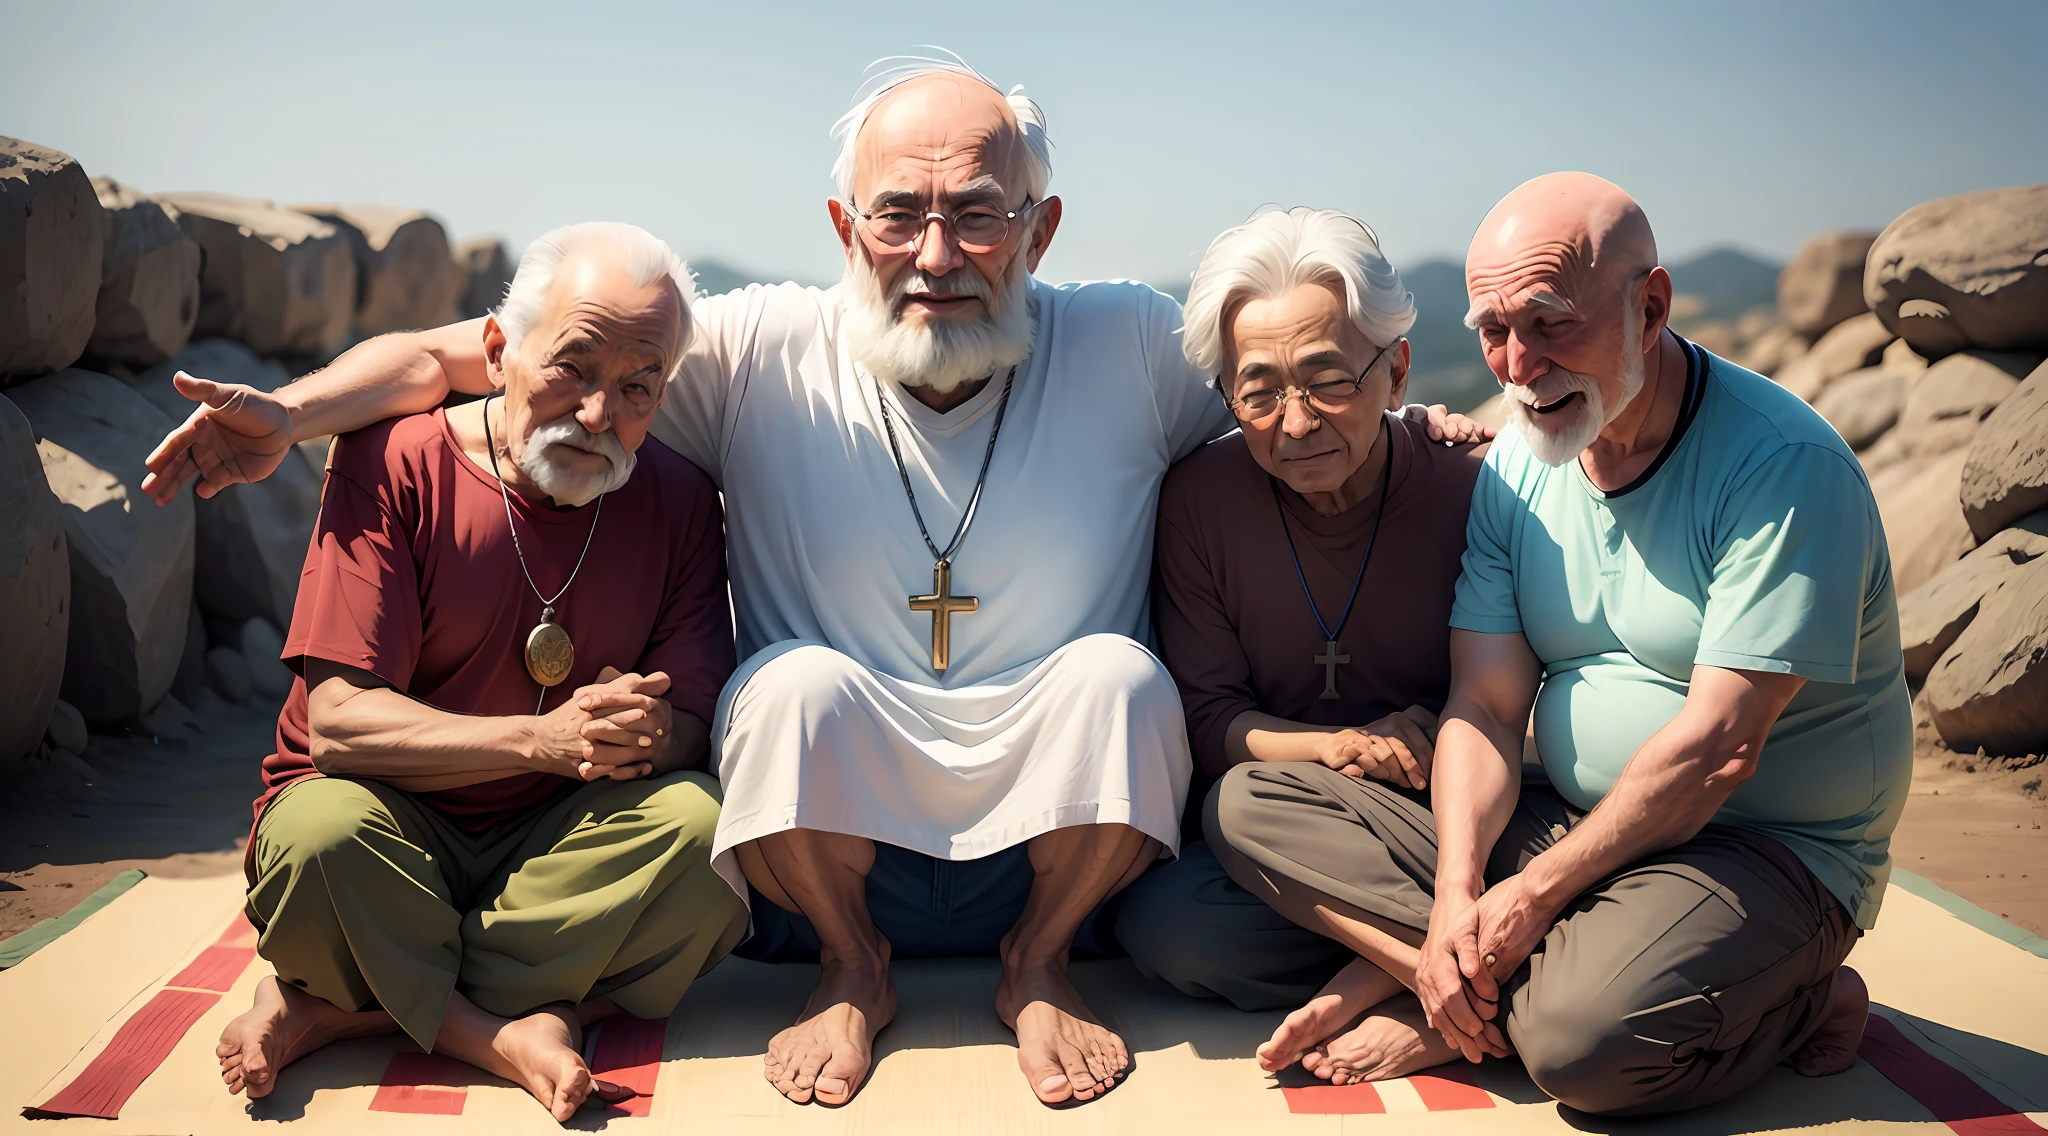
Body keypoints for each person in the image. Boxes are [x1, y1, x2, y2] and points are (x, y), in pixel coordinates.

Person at [140, 55, 1486, 1109]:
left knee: (1117, 677)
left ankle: (1040, 965)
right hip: (821, 847)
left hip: (1063, 835)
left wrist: (1438, 426)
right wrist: (293, 410)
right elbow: (480, 356)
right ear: (846, 224)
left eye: (980, 213)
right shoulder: (756, 347)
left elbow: (1298, 392)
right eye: (900, 213)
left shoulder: (1129, 343)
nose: (939, 252)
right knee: (786, 685)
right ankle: (857, 969)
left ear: (1044, 228)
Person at [1201, 173, 1913, 1115]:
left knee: (1582, 1050)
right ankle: (1456, 983)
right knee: (1252, 801)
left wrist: (1528, 899)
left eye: (1551, 324)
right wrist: (1459, 892)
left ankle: (1799, 992)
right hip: (1572, 824)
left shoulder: (1781, 469)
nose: (1517, 364)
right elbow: (1486, 708)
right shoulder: (1518, 465)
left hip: (1763, 849)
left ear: (1649, 305)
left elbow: (1719, 749)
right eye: (1492, 330)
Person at [205, 223, 747, 1123]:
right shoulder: (393, 460)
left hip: (550, 848)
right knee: (320, 843)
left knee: (712, 840)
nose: (598, 415)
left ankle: (340, 1006)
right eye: (572, 369)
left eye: (637, 388)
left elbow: (690, 723)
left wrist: (643, 730)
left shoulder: (682, 502)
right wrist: (544, 739)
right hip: (387, 823)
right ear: (497, 352)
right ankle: (508, 1027)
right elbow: (338, 725)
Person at [1116, 207, 1490, 1086]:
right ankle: (1452, 979)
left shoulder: (1474, 489)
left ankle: (1425, 984)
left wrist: (1423, 748)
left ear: (1396, 368)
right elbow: (1208, 721)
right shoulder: (1200, 501)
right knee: (1170, 923)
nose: (1294, 421)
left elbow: (1524, 693)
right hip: (1283, 834)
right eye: (1259, 391)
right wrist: (1336, 749)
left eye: (1328, 381)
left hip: (1446, 825)